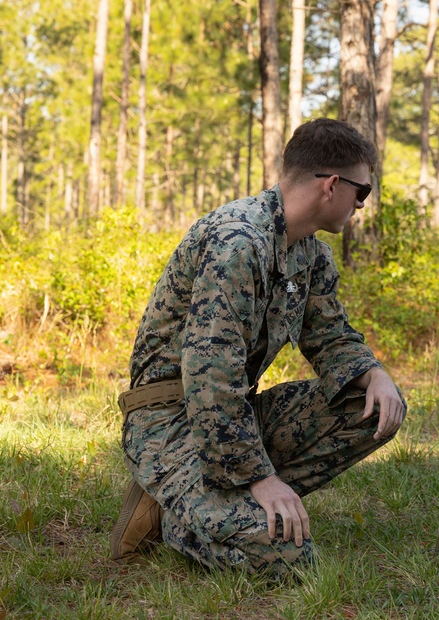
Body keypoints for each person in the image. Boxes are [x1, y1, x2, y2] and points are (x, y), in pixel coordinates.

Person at [110, 118, 406, 578]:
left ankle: (211, 496)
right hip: (169, 420)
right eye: (362, 192)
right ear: (332, 185)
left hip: (230, 416)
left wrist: (375, 374)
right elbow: (211, 376)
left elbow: (331, 337)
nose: (362, 204)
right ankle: (178, 514)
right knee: (287, 559)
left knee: (370, 406)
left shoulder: (309, 252)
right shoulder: (238, 241)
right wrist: (259, 478)